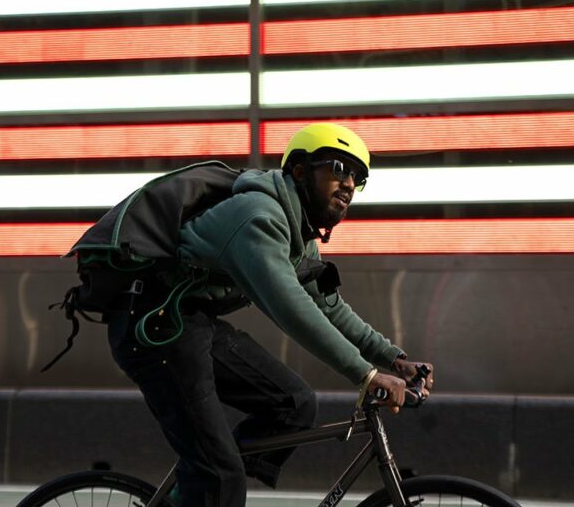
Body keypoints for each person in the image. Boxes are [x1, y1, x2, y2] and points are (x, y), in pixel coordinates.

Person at [106, 123, 435, 507]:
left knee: (294, 405)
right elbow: (291, 306)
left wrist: (394, 359)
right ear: (299, 171)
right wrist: (365, 375)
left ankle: (194, 489)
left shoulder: (301, 235)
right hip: (154, 329)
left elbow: (328, 306)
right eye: (338, 168)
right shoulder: (257, 216)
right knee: (220, 474)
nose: (349, 184)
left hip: (191, 321)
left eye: (358, 177)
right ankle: (208, 478)